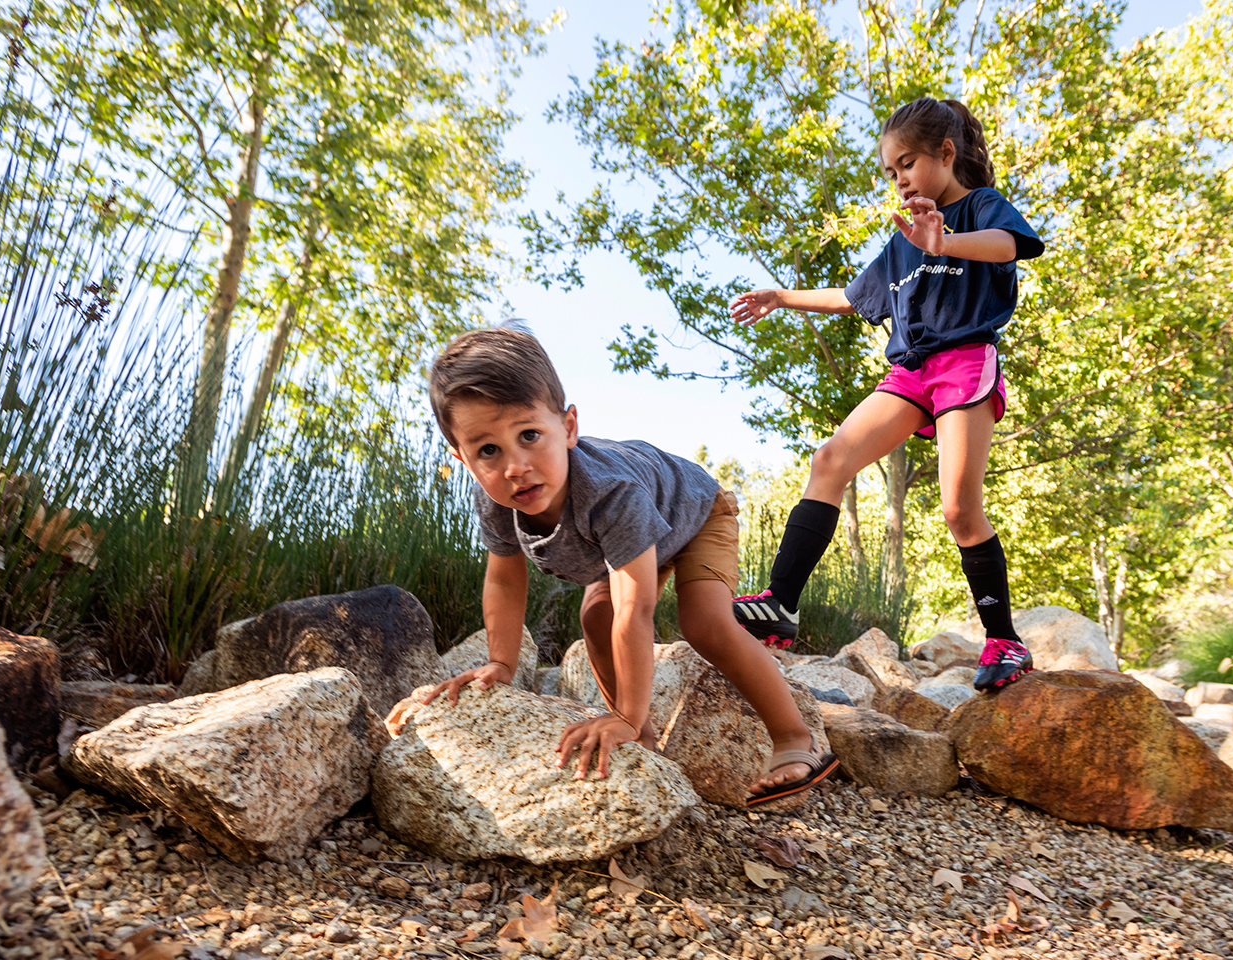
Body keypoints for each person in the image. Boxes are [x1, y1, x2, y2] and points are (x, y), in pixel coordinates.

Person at [419, 326, 837, 806]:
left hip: (695, 512)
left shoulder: (610, 492)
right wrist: (502, 662)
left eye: (529, 435)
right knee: (596, 616)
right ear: (463, 459)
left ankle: (792, 739)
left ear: (569, 427)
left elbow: (635, 609)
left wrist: (624, 714)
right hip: (621, 546)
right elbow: (504, 578)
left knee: (704, 623)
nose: (515, 466)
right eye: (488, 450)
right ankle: (645, 741)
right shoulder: (496, 501)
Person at [728, 97, 1045, 692]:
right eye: (889, 170)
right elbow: (853, 296)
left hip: (964, 360)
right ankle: (781, 605)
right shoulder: (901, 239)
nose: (898, 179)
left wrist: (944, 242)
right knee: (829, 459)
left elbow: (1008, 246)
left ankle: (1005, 640)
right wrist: (782, 296)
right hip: (911, 372)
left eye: (907, 164)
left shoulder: (978, 208)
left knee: (958, 509)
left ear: (945, 154)